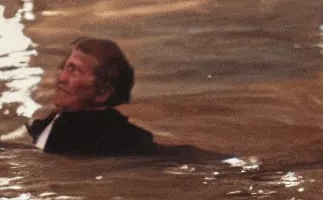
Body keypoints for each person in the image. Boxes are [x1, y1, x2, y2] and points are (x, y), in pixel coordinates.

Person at [26, 37, 218, 161]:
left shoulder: (78, 134)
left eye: (75, 71)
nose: (62, 79)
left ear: (103, 93)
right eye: (65, 68)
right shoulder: (64, 123)